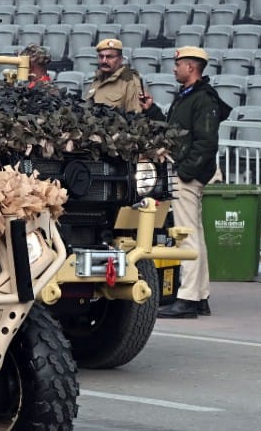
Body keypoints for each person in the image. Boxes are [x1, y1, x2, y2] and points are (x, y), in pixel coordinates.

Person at [141, 46, 232, 319]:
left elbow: (206, 142)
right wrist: (152, 110)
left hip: (187, 176)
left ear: (190, 67)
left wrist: (184, 171)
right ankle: (200, 296)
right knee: (196, 235)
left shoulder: (202, 99)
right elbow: (174, 132)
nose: (174, 68)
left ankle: (188, 298)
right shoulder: (191, 96)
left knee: (186, 235)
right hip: (187, 173)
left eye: (178, 64)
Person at [84, 37, 147, 112]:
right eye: (101, 57)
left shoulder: (130, 81)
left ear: (121, 59)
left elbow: (135, 116)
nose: (104, 61)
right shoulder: (96, 80)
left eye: (109, 57)